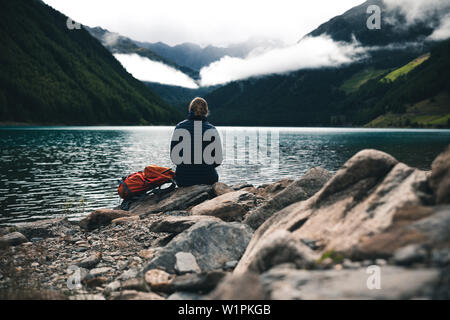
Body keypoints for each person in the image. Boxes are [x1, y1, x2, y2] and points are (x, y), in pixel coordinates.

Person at [170, 97, 223, 187]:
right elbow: (218, 161)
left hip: (183, 179)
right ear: (206, 112)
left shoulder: (179, 127)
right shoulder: (212, 129)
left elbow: (174, 158)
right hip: (207, 178)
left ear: (190, 110)